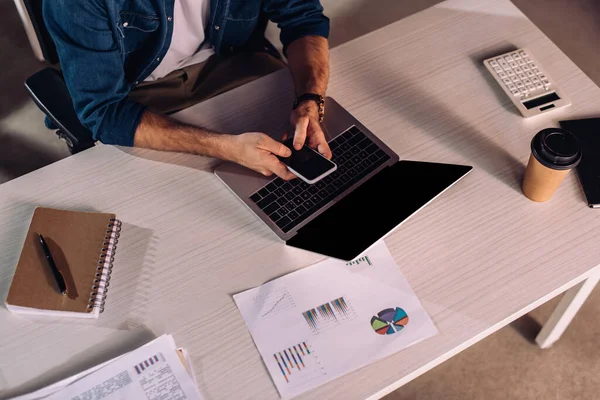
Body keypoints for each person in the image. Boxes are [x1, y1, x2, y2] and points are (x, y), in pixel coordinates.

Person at [44, 0, 332, 180]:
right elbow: (104, 111)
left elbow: (303, 19)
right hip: (138, 95)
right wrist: (226, 148)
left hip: (232, 60)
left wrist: (310, 99)